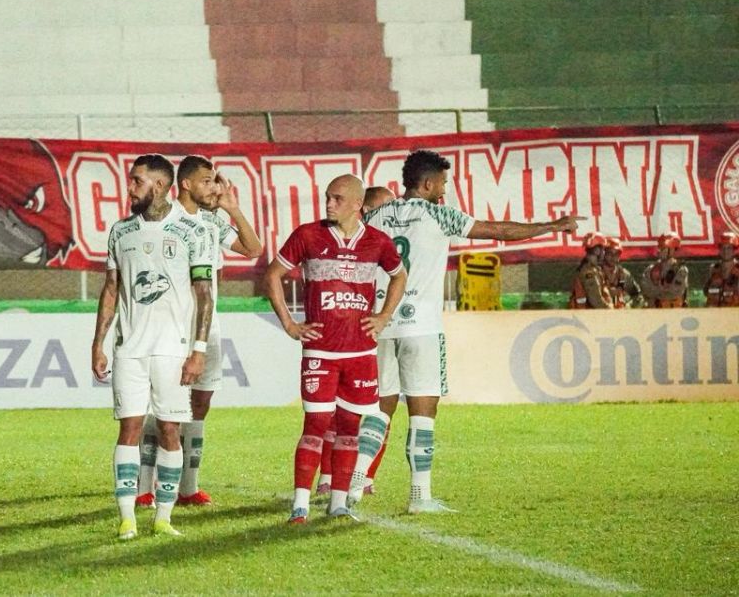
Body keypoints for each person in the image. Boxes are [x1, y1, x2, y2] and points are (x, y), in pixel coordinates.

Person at [364, 150, 581, 513]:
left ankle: (351, 490)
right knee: (421, 412)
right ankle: (420, 496)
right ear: (429, 183)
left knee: (378, 410)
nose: (444, 190)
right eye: (443, 183)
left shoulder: (375, 216)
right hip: (421, 327)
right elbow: (497, 231)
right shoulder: (438, 214)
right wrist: (552, 226)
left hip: (382, 323)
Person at [265, 175, 407, 524]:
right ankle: (299, 504)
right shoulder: (307, 235)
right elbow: (272, 276)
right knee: (315, 423)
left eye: (337, 198)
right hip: (320, 352)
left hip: (360, 354)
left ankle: (339, 503)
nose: (329, 204)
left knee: (349, 427)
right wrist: (289, 324)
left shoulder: (377, 242)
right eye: (328, 197)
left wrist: (384, 316)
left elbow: (400, 275)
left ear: (358, 205)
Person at [91, 154, 216, 540]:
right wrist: (99, 343)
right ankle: (127, 517)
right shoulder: (120, 232)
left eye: (137, 181)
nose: (130, 188)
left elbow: (204, 296)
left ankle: (164, 517)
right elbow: (110, 289)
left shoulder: (191, 232)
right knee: (128, 427)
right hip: (129, 349)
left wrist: (198, 350)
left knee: (169, 430)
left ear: (159, 186)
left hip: (172, 350)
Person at [134, 156, 263, 508]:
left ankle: (188, 487)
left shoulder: (211, 221)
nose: (215, 187)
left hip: (208, 330)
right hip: (170, 329)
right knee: (160, 406)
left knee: (200, 404)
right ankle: (146, 485)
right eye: (208, 181)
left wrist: (233, 210)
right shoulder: (165, 219)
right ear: (187, 184)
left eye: (216, 182)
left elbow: (254, 249)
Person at [639, 233, 689, 308]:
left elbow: (675, 292)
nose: (659, 250)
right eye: (660, 247)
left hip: (674, 311)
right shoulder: (651, 269)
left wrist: (656, 289)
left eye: (663, 248)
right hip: (654, 312)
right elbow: (645, 289)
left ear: (672, 249)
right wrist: (662, 289)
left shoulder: (680, 270)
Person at [569, 233, 613, 309]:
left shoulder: (592, 269)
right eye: (603, 249)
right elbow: (596, 301)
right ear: (597, 250)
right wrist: (610, 310)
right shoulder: (589, 273)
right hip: (589, 316)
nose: (604, 252)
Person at [602, 237, 643, 308]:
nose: (613, 257)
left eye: (616, 254)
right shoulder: (597, 273)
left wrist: (628, 305)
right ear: (604, 254)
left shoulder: (624, 274)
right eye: (609, 253)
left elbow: (638, 296)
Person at [703, 231, 739, 307]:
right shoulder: (713, 269)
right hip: (715, 313)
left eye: (729, 248)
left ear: (734, 250)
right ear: (720, 250)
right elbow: (705, 291)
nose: (726, 251)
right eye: (723, 248)